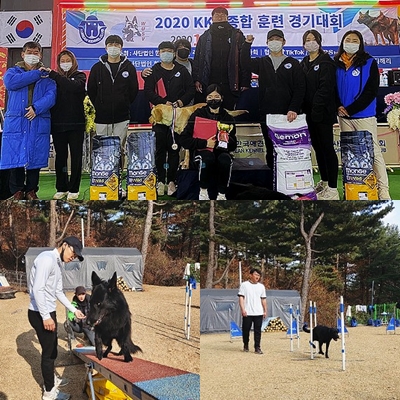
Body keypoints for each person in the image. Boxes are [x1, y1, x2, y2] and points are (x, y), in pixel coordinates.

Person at [334, 30, 390, 200]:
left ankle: (383, 191)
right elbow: (332, 87)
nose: (350, 42)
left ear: (360, 44)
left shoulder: (369, 62)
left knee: (374, 153)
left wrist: (351, 109)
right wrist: (338, 106)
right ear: (343, 42)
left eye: (354, 40)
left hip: (364, 115)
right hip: (343, 117)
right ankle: (352, 189)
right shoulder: (336, 62)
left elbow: (371, 90)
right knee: (349, 155)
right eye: (347, 39)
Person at [28, 236, 85, 400]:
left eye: (75, 256)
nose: (73, 257)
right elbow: (38, 289)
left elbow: (58, 292)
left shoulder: (58, 264)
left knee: (52, 350)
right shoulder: (46, 259)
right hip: (39, 313)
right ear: (64, 245)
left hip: (48, 312)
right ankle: (49, 393)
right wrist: (46, 317)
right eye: (73, 253)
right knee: (48, 353)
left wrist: (74, 310)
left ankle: (51, 379)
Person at [241, 29, 306, 170]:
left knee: (288, 148)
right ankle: (272, 181)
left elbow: (300, 88)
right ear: (267, 43)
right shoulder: (262, 62)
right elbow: (244, 62)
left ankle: (290, 180)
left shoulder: (293, 63)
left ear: (284, 42)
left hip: (288, 115)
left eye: (277, 39)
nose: (274, 42)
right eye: (271, 39)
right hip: (267, 114)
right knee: (270, 147)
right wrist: (247, 44)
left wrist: (293, 108)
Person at [0, 41, 57, 200]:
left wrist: (37, 108)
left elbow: (51, 96)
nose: (32, 55)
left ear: (40, 55)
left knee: (35, 156)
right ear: (23, 54)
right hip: (18, 121)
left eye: (36, 52)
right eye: (29, 52)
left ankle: (31, 190)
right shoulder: (13, 72)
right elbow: (11, 84)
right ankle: (17, 190)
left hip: (37, 119)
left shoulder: (48, 76)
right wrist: (37, 73)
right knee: (15, 156)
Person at [144, 41, 195, 196]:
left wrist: (180, 102)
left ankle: (172, 181)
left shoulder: (181, 70)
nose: (166, 53)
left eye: (169, 51)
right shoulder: (153, 71)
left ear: (174, 53)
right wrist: (162, 102)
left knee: (174, 149)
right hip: (160, 117)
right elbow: (148, 91)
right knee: (159, 149)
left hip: (177, 117)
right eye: (163, 50)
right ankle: (160, 180)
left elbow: (191, 89)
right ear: (158, 53)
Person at [87, 34, 139, 189]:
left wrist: (123, 103)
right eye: (111, 44)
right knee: (102, 151)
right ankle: (103, 182)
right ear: (106, 47)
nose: (114, 47)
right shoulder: (97, 67)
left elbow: (133, 90)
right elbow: (91, 90)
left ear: (121, 48)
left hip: (122, 117)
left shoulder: (128, 66)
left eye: (117, 44)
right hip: (101, 118)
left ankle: (118, 183)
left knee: (119, 151)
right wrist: (100, 105)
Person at [300, 30, 339, 200]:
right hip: (308, 114)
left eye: (313, 39)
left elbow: (325, 89)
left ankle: (333, 188)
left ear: (319, 42)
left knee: (327, 148)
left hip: (322, 113)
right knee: (317, 148)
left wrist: (316, 108)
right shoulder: (304, 62)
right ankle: (324, 181)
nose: (310, 42)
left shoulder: (326, 62)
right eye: (307, 40)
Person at [180, 84, 237, 200]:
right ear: (206, 99)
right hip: (201, 152)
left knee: (225, 159)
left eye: (216, 96)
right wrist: (205, 143)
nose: (213, 100)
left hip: (220, 152)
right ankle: (203, 191)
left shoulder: (227, 117)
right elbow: (184, 140)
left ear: (222, 98)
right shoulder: (197, 115)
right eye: (210, 97)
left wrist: (224, 140)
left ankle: (222, 194)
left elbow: (234, 145)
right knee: (207, 158)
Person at [45, 50, 86, 201]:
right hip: (58, 123)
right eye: (62, 60)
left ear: (73, 61)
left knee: (76, 157)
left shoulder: (80, 76)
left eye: (68, 60)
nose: (65, 63)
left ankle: (74, 188)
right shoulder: (52, 80)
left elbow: (73, 87)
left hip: (76, 123)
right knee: (60, 157)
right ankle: (61, 186)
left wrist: (55, 75)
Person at [193, 7, 250, 110]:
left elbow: (244, 59)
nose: (220, 17)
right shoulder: (204, 37)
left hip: (231, 82)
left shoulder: (237, 35)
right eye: (217, 15)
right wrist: (197, 79)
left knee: (229, 112)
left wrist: (245, 81)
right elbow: (197, 59)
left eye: (223, 15)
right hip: (210, 81)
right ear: (212, 18)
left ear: (227, 18)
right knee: (209, 112)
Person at [238, 268, 267, 355]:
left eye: (258, 275)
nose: (257, 277)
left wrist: (265, 310)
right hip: (248, 312)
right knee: (246, 330)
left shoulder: (261, 286)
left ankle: (257, 347)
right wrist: (243, 309)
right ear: (250, 275)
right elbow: (241, 297)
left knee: (258, 330)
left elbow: (263, 299)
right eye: (255, 275)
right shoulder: (244, 285)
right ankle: (246, 344)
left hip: (258, 312)